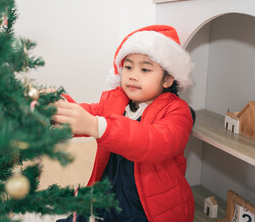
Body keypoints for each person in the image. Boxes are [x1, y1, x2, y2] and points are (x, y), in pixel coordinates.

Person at [54, 25, 195, 222]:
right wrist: (59, 106)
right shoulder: (116, 100)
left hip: (146, 208)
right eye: (128, 67)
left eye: (145, 69)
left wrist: (97, 126)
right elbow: (88, 113)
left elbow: (155, 142)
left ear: (167, 79)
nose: (133, 75)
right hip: (109, 193)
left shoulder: (178, 111)